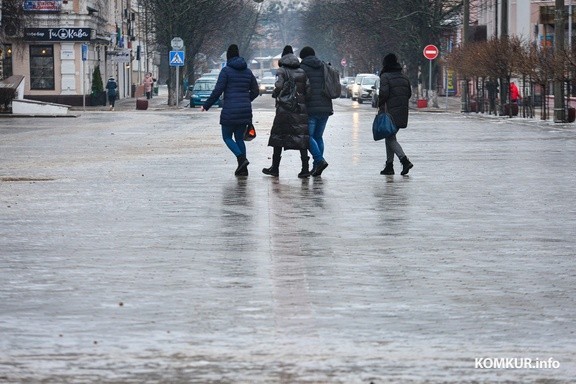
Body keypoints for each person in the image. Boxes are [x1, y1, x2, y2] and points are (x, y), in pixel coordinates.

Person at [201, 44, 259, 176]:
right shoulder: (248, 71)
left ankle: (241, 159)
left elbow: (218, 90)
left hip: (230, 110)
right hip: (244, 111)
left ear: (228, 56)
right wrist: (246, 100)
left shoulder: (226, 71)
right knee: (239, 138)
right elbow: (255, 90)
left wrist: (206, 105)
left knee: (227, 137)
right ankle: (243, 169)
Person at [263, 45, 311, 178]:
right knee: (301, 138)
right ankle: (305, 169)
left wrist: (275, 94)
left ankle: (275, 168)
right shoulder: (302, 71)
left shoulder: (281, 71)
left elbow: (278, 86)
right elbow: (309, 91)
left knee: (279, 136)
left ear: (283, 57)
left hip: (284, 109)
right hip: (299, 109)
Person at [299, 46, 333, 177]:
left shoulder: (302, 69)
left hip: (310, 108)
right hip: (325, 106)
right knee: (318, 136)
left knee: (308, 137)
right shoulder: (323, 66)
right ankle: (316, 167)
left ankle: (319, 160)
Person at [378, 53, 413, 176]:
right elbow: (409, 94)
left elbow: (383, 94)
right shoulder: (404, 77)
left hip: (389, 113)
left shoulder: (385, 76)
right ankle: (389, 166)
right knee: (390, 137)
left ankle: (404, 161)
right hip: (402, 112)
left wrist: (379, 104)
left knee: (390, 138)